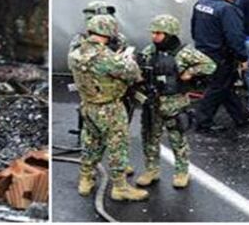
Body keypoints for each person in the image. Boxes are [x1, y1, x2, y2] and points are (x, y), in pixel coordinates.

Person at [68, 14, 148, 202]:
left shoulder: (76, 53)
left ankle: (85, 179)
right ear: (109, 33)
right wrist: (126, 58)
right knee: (117, 145)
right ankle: (120, 187)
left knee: (91, 142)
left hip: (88, 106)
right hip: (109, 107)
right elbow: (133, 74)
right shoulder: (106, 57)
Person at [136, 14, 215, 189]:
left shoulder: (184, 52)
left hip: (175, 101)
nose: (154, 36)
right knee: (149, 136)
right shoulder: (150, 51)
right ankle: (151, 170)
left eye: (159, 33)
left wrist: (191, 72)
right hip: (153, 102)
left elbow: (210, 65)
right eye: (153, 33)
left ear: (169, 34)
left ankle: (181, 171)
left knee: (177, 138)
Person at [191, 0, 249, 133]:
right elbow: (234, 35)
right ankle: (203, 121)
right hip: (221, 54)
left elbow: (193, 28)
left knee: (225, 86)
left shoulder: (201, 3)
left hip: (204, 51)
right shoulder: (226, 9)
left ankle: (241, 116)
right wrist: (243, 57)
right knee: (218, 87)